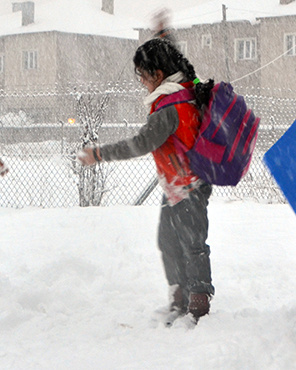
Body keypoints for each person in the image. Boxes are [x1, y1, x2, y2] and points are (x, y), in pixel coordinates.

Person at [77, 37, 214, 325]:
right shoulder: (186, 89)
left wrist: (99, 154)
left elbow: (141, 143)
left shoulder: (169, 108)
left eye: (142, 75)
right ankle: (180, 298)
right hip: (181, 185)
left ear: (158, 75)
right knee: (169, 241)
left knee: (191, 245)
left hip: (188, 185)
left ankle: (198, 306)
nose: (141, 82)